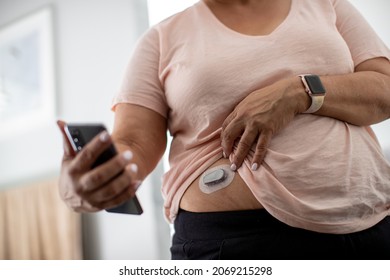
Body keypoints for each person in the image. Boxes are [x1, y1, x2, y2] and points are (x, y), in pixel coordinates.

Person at [57, 0, 390, 259]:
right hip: (232, 242)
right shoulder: (161, 39)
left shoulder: (325, 5)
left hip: (371, 228)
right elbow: (132, 141)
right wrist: (91, 177)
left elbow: (383, 90)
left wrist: (299, 92)